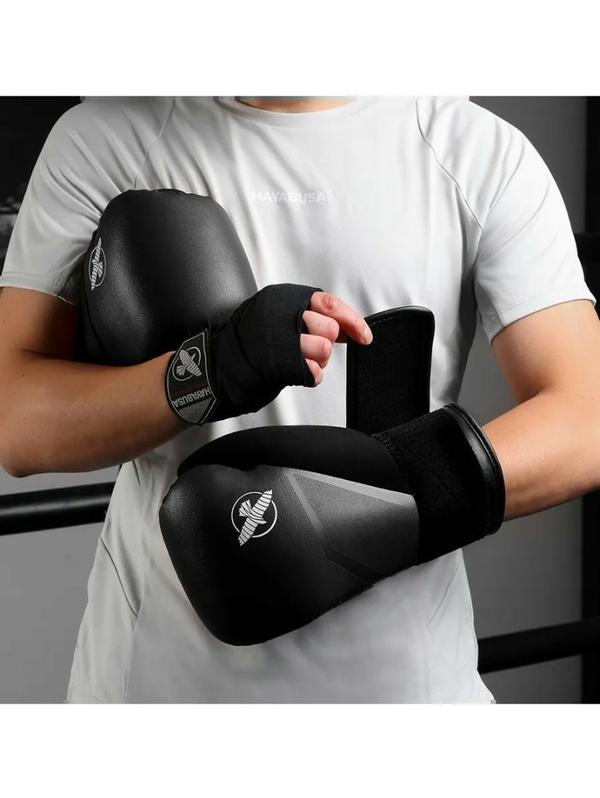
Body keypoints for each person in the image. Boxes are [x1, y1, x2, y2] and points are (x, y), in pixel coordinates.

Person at [0, 96, 598, 703]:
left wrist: (353, 510)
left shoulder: (474, 151)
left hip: (403, 687)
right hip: (158, 682)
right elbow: (15, 421)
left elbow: (585, 417)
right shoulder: (105, 140)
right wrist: (215, 368)